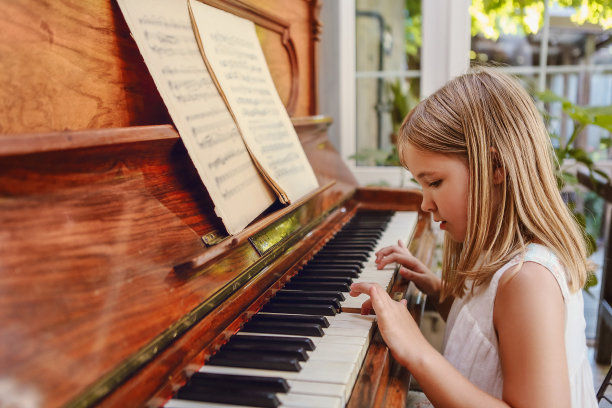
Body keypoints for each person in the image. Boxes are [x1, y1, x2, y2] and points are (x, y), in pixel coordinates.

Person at [350, 67, 598, 407]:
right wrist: (435, 287)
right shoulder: (500, 254)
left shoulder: (528, 280)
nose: (425, 204)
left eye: (434, 182)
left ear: (495, 167)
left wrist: (417, 352)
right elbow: (486, 334)